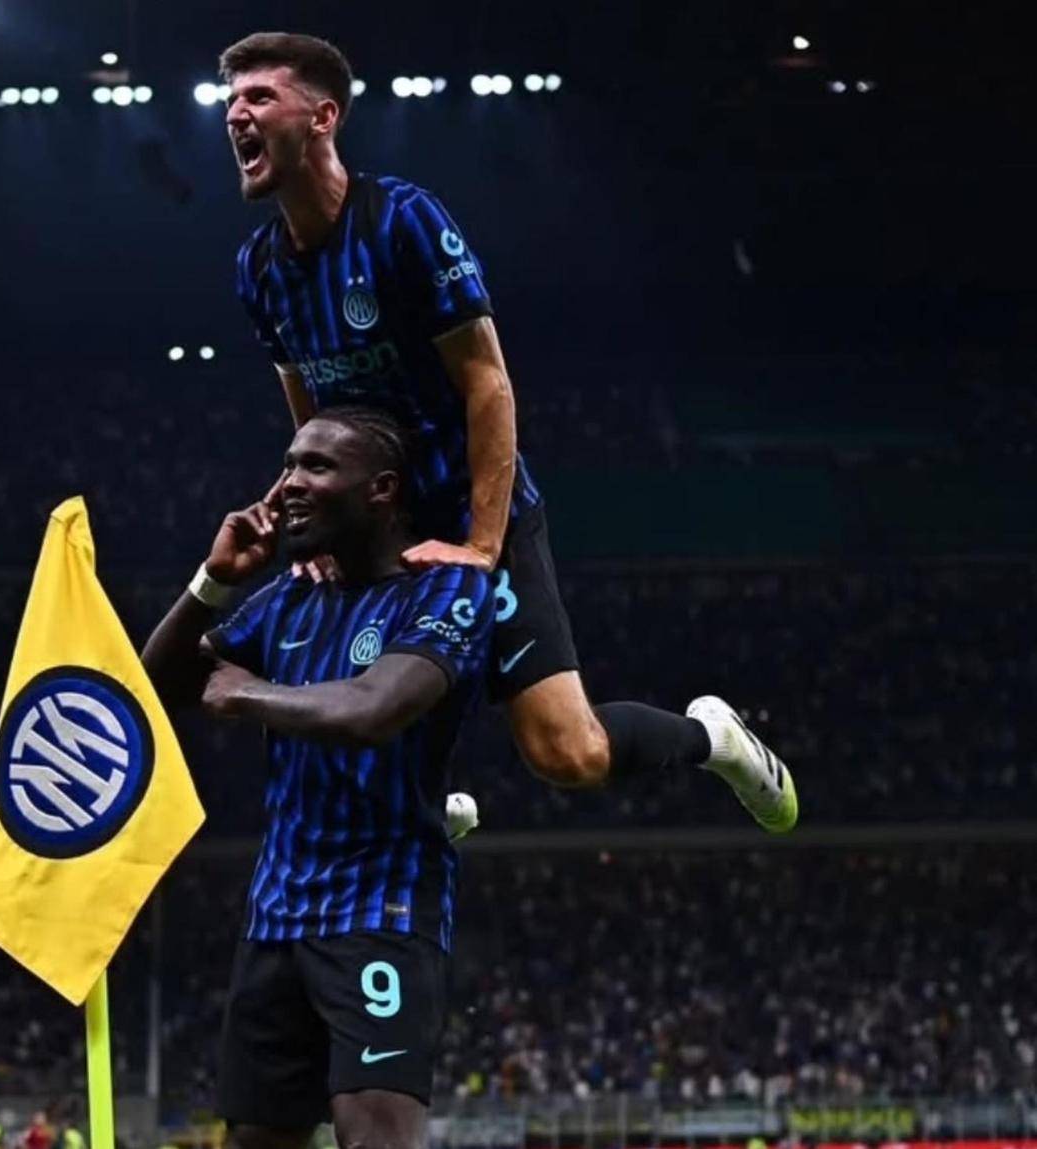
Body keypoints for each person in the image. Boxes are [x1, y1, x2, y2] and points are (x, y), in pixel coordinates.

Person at [218, 31, 797, 833]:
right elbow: (308, 409)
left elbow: (487, 382)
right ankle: (430, 809)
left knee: (568, 754)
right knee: (346, 695)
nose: (235, 115)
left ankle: (713, 739)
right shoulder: (257, 269)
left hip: (473, 508)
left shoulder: (402, 222)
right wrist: (315, 521)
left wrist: (483, 542)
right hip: (378, 526)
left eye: (259, 97)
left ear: (323, 117)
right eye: (230, 101)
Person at [142, 406, 495, 1149]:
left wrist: (246, 693)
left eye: (318, 466)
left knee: (377, 1138)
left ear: (382, 489)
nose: (290, 484)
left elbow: (373, 708)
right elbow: (160, 681)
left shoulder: (445, 591)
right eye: (289, 463)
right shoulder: (289, 597)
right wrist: (213, 581)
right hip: (275, 916)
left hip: (382, 909)